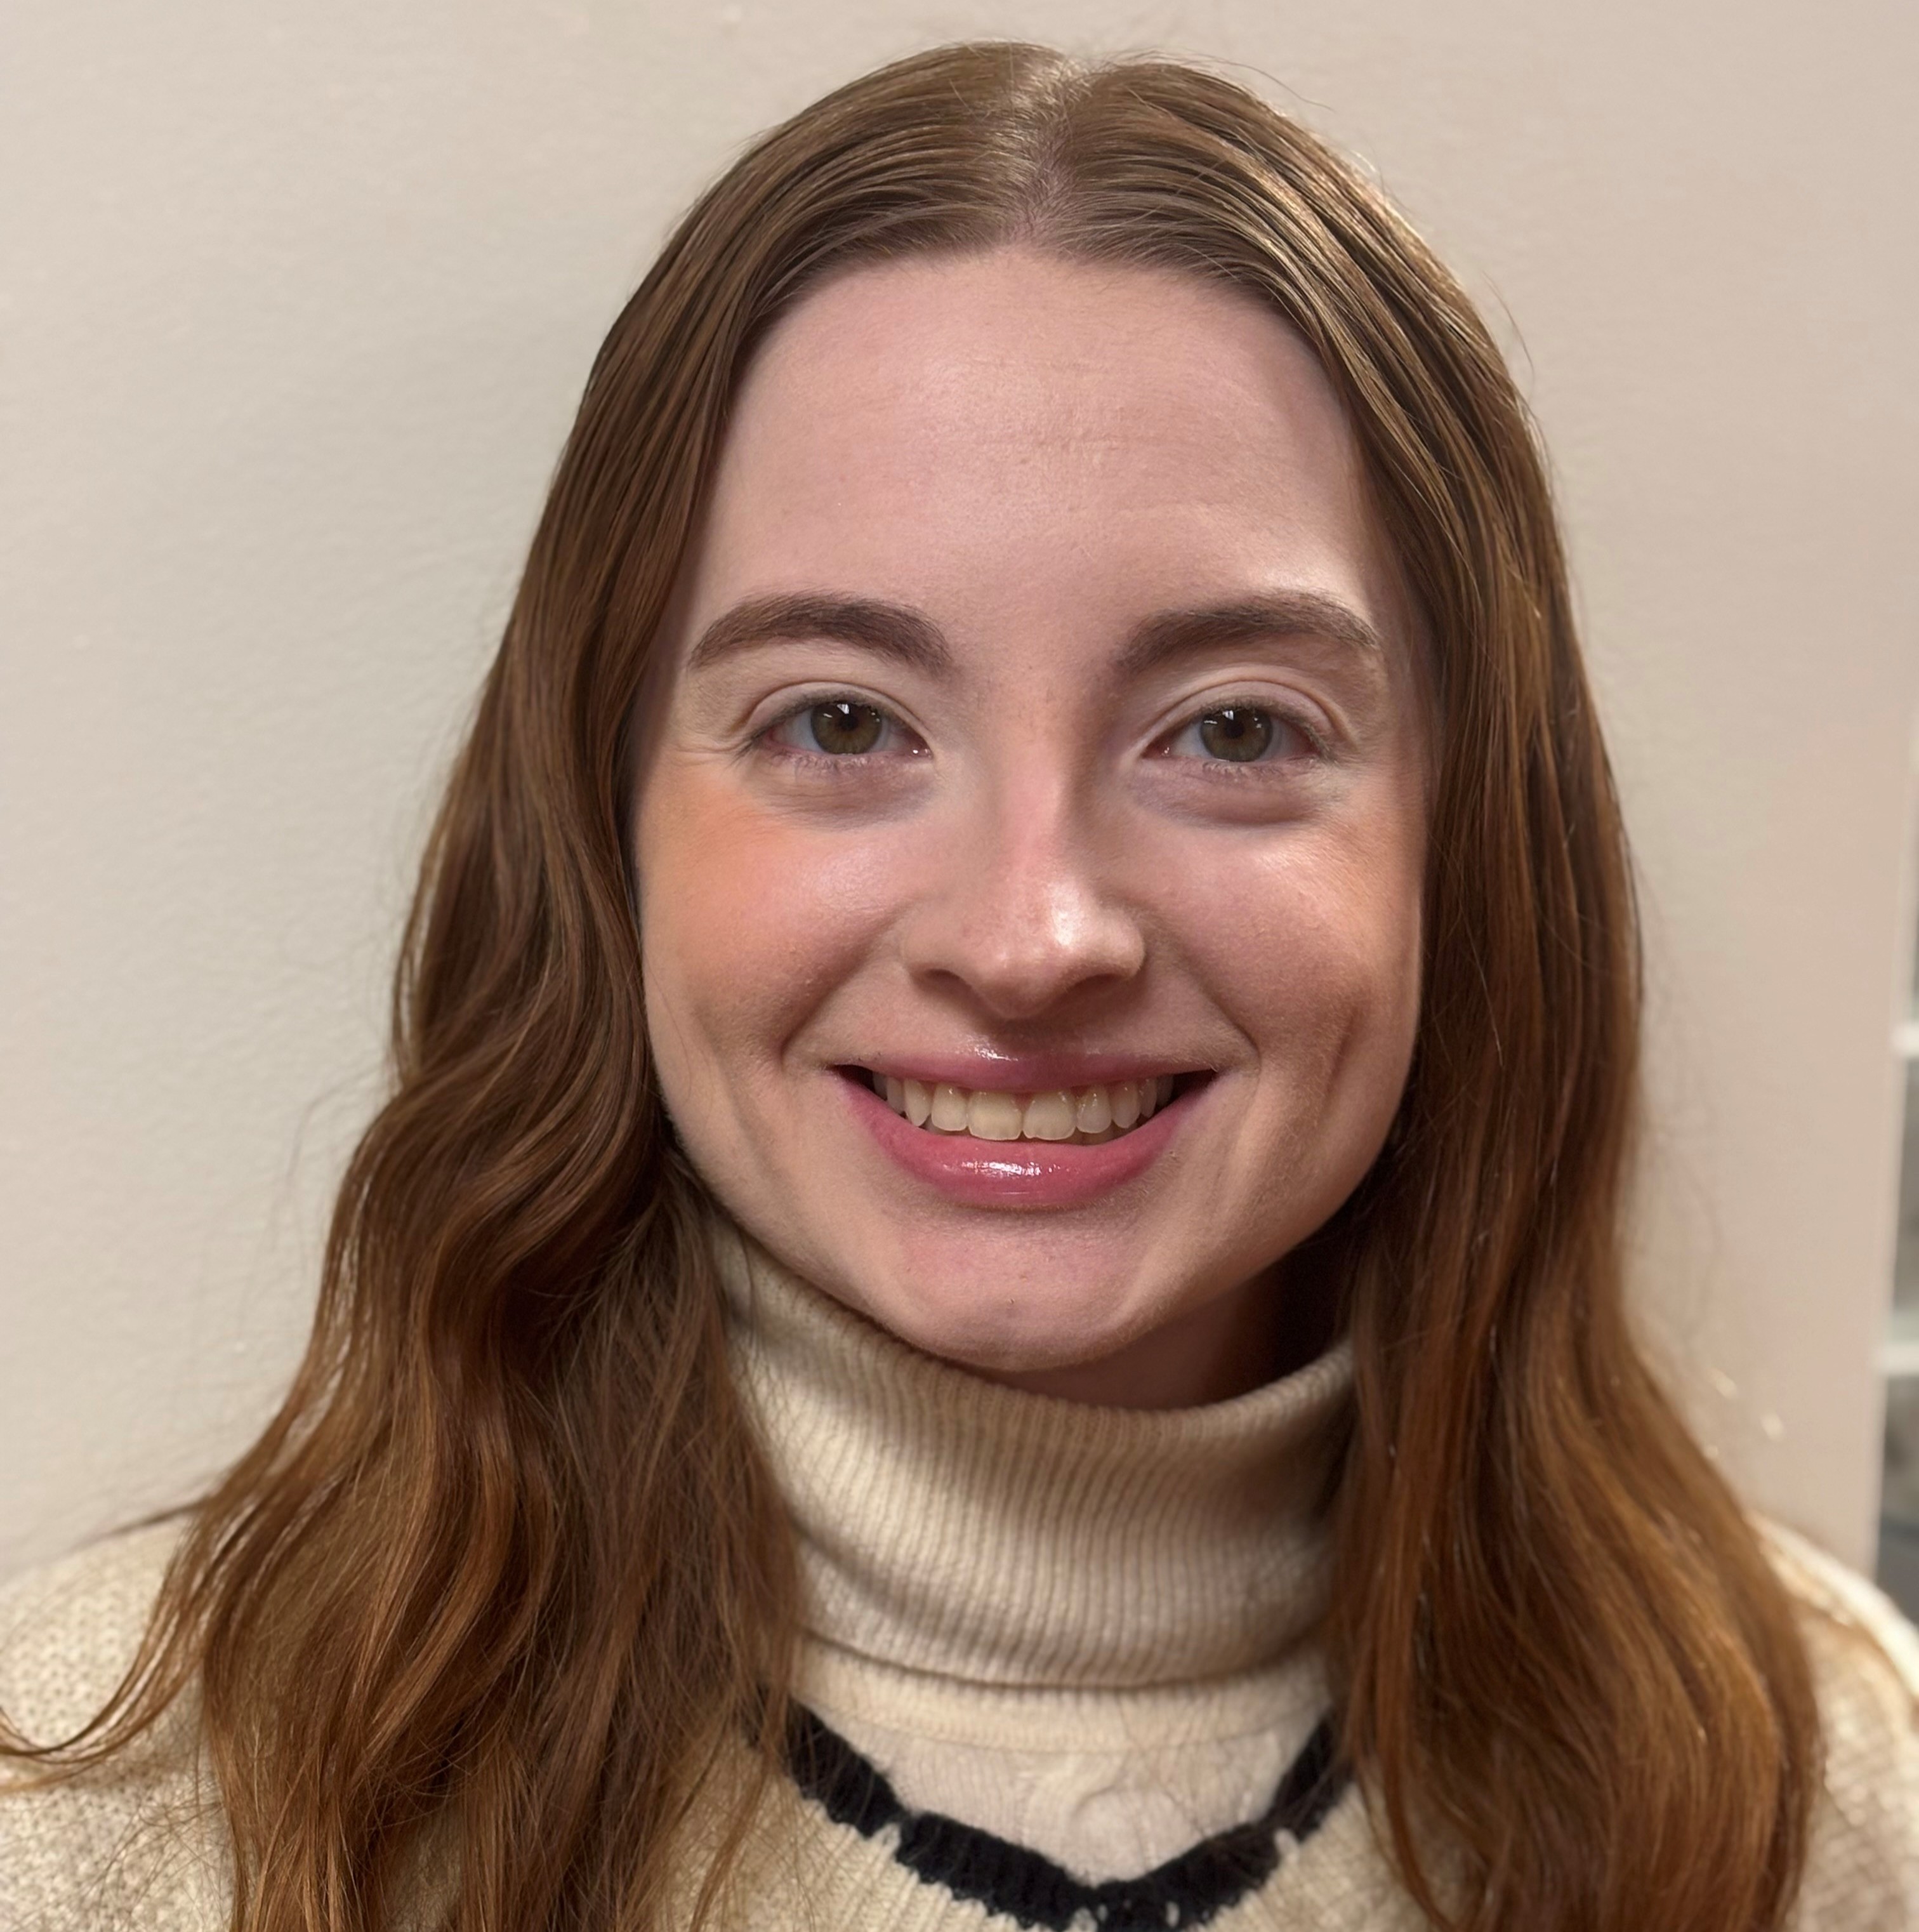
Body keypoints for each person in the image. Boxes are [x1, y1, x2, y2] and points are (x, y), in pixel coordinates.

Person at [2, 39, 1914, 1932]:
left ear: (1467, 844)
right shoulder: (126, 1807)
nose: (1029, 935)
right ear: (608, 824)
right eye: (842, 719)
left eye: (1235, 727)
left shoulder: (1818, 1788)